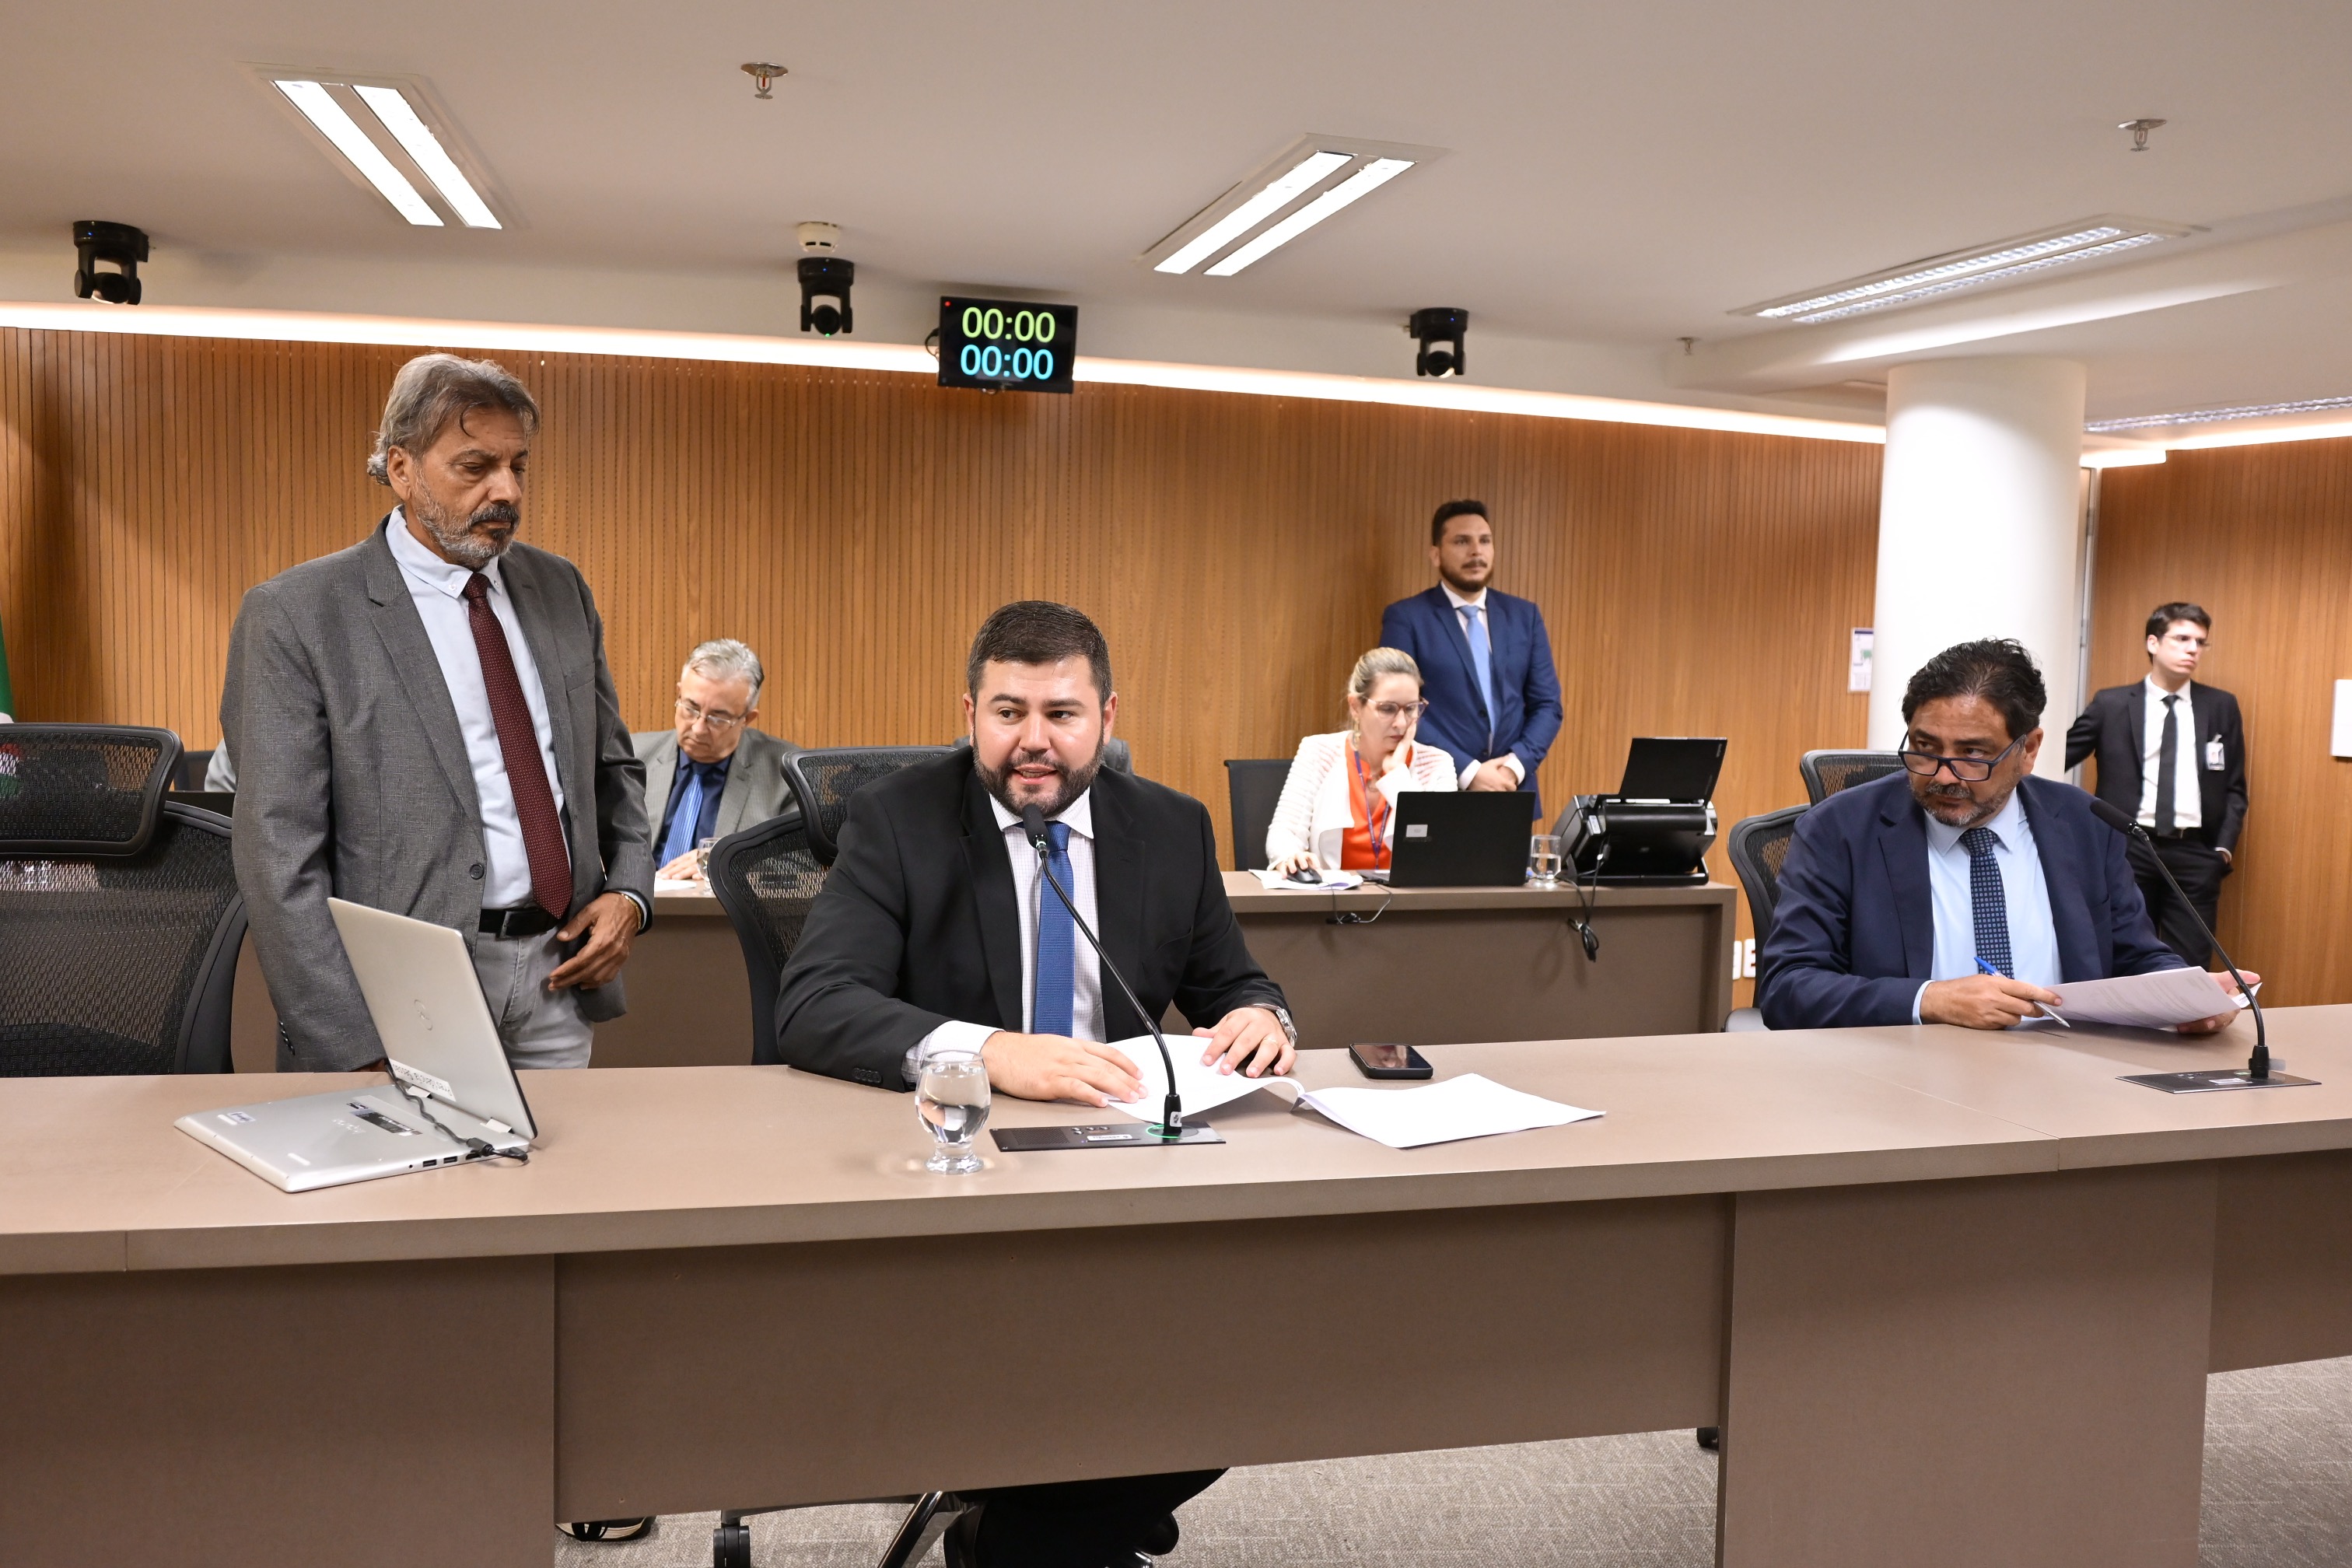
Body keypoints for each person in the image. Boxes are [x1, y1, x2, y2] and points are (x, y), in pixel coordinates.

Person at [776, 600, 1294, 1568]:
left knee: (1258, 1348)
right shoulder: (899, 820)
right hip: (961, 1179)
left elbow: (1233, 984)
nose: (1034, 742)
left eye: (1062, 713)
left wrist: (1264, 1016)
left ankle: (1035, 1530)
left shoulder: (1172, 828)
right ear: (969, 714)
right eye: (1008, 712)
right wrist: (989, 1051)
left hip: (1125, 1166)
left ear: (1107, 717)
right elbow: (814, 1003)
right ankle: (1066, 1528)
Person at [222, 352, 652, 1073]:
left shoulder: (560, 588)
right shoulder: (297, 615)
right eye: (475, 466)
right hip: (400, 1000)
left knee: (564, 1154)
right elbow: (277, 856)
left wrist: (630, 892)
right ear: (402, 468)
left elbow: (613, 765)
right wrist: (351, 1043)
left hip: (559, 977)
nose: (507, 490)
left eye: (518, 465)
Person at [1759, 638, 2250, 1033]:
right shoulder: (1841, 829)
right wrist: (1930, 999)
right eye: (1925, 748)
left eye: (1973, 754)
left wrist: (2185, 994)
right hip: (1907, 1080)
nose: (1944, 776)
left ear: (2029, 749)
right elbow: (1789, 987)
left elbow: (2135, 953)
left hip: (2069, 1076)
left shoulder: (2085, 823)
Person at [2064, 603, 2249, 968]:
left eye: (2200, 642)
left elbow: (2235, 785)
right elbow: (2056, 758)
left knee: (2190, 966)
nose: (2193, 649)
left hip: (2196, 853)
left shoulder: (2221, 706)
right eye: (2182, 639)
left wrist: (2222, 850)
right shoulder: (2111, 704)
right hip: (2128, 849)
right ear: (2153, 643)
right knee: (2123, 956)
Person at [1377, 499, 1563, 813]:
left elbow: (1547, 705)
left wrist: (1514, 766)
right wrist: (1469, 771)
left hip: (1511, 792)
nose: (1476, 551)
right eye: (1462, 541)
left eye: (1485, 541)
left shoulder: (1524, 616)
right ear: (1436, 554)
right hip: (1438, 789)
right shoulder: (1407, 618)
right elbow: (1400, 709)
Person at [1265, 646, 1457, 875]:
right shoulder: (1319, 752)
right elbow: (1284, 832)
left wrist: (1397, 776)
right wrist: (1290, 856)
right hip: (1336, 895)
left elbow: (1442, 849)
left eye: (1411, 709)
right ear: (1356, 707)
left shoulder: (1437, 763)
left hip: (1408, 897)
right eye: (1388, 709)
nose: (1401, 723)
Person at [632, 638, 799, 881]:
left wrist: (726, 860)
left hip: (723, 906)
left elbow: (801, 862)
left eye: (718, 718)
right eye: (691, 709)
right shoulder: (631, 757)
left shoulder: (786, 775)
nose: (698, 728)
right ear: (679, 694)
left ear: (746, 719)